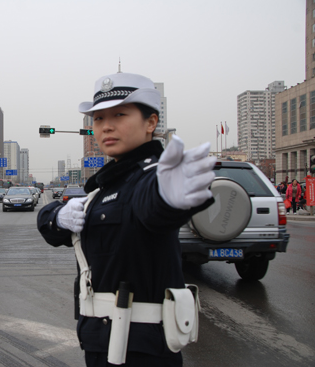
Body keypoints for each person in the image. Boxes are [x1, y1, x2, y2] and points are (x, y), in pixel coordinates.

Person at [37, 72, 216, 367]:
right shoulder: (108, 184)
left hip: (141, 352)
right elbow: (52, 229)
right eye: (98, 118)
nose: (106, 126)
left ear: (151, 122)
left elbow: (152, 207)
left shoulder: (151, 177)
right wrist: (58, 215)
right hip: (100, 342)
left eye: (120, 114)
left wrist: (169, 198)